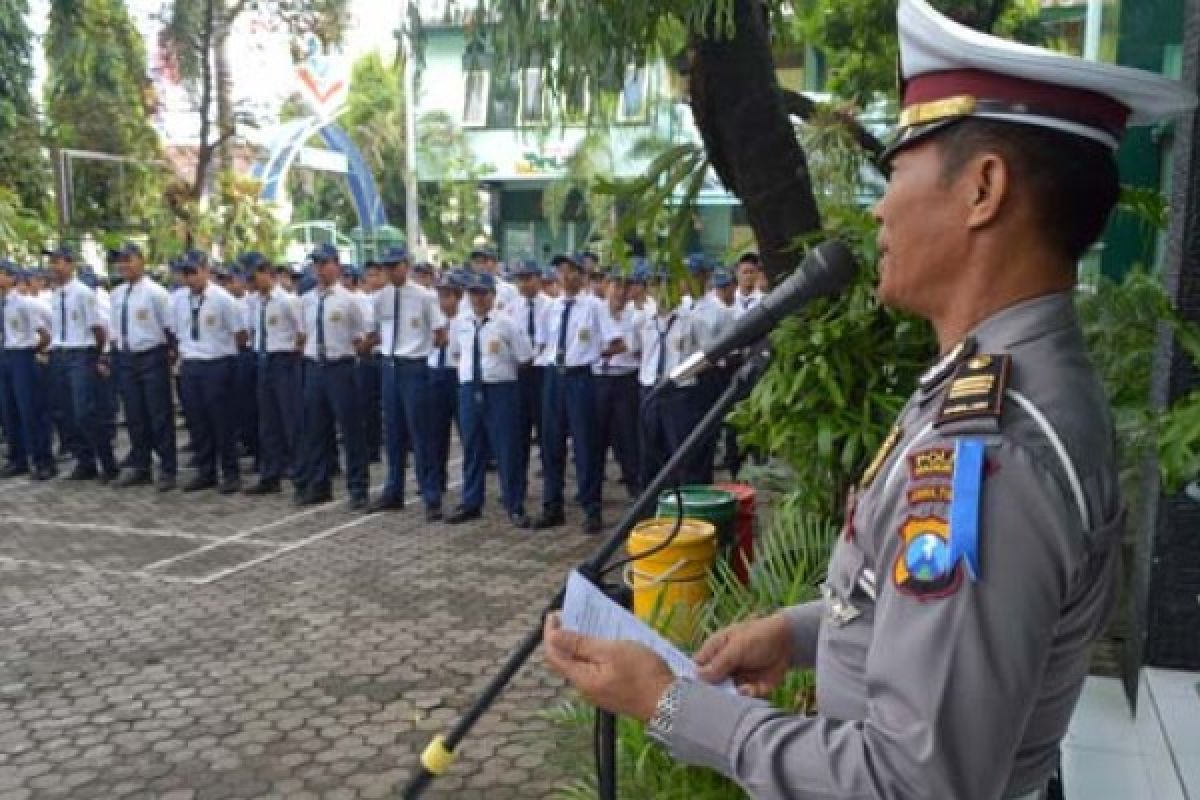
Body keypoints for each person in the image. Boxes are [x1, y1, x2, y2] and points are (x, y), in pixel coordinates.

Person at [543, 2, 1198, 798]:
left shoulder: (988, 450)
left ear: (983, 189)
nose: (880, 208)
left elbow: (910, 781)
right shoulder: (989, 386)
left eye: (895, 171)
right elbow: (917, 616)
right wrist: (798, 633)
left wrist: (669, 702)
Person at [532, 254, 624, 534]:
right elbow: (543, 344)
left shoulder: (594, 307)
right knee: (551, 444)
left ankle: (591, 507)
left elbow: (617, 343)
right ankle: (552, 505)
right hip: (553, 376)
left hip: (581, 377)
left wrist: (592, 354)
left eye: (571, 271)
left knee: (586, 445)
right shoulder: (550, 308)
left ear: (583, 276)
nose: (565, 276)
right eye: (560, 271)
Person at [445, 272, 534, 527]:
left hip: (500, 390)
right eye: (474, 293)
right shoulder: (460, 322)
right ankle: (472, 501)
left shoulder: (506, 323)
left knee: (507, 449)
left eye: (483, 293)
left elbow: (525, 356)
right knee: (472, 446)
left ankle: (514, 504)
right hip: (469, 388)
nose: (478, 298)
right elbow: (455, 352)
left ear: (493, 296)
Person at [368, 246, 446, 517]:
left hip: (414, 366)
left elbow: (439, 333)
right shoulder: (381, 297)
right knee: (393, 433)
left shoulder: (425, 297)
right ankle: (394, 490)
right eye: (386, 267)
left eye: (395, 266)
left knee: (421, 434)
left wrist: (421, 353)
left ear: (406, 265)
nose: (390, 271)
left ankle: (431, 495)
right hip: (390, 366)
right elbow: (375, 331)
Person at [293, 245, 369, 510]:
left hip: (341, 366)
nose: (320, 269)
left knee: (350, 429)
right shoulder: (306, 301)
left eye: (324, 263)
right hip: (315, 366)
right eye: (316, 264)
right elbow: (303, 336)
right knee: (315, 429)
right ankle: (319, 484)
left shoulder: (350, 300)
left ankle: (358, 487)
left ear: (336, 265)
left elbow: (361, 337)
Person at [173, 250, 247, 494]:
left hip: (218, 363)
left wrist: (224, 358)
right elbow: (175, 331)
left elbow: (240, 335)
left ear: (206, 270)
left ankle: (231, 472)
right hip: (191, 364)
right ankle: (206, 471)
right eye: (186, 273)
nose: (190, 278)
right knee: (197, 421)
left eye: (194, 272)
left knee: (222, 422)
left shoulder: (223, 299)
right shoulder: (179, 299)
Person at [44, 245, 118, 482]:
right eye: (52, 262)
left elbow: (98, 329)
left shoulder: (83, 293)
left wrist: (95, 356)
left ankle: (107, 462)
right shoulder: (56, 294)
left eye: (59, 262)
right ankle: (84, 461)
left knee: (85, 411)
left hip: (80, 353)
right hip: (60, 353)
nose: (54, 267)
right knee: (64, 411)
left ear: (70, 264)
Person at [109, 243, 177, 491]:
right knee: (134, 415)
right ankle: (141, 466)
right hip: (126, 357)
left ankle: (168, 468)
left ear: (141, 261)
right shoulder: (116, 294)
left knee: (159, 414)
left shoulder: (156, 293)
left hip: (152, 356)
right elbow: (114, 329)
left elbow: (169, 329)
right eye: (121, 261)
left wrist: (169, 356)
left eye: (129, 259)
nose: (124, 265)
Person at [632, 286, 708, 489]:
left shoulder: (691, 320)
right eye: (657, 283)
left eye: (668, 283)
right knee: (649, 454)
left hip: (679, 393)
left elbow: (706, 355)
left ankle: (685, 505)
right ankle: (649, 507)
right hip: (650, 390)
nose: (663, 290)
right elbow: (637, 351)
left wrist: (682, 375)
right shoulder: (642, 320)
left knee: (681, 454)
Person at [243, 253, 303, 495]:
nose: (252, 281)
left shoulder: (287, 301)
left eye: (254, 275)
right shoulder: (255, 301)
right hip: (264, 359)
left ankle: (301, 474)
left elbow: (302, 333)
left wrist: (293, 358)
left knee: (292, 421)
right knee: (267, 422)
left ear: (267, 272)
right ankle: (271, 474)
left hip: (285, 360)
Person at [0, 260, 54, 480]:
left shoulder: (24, 304)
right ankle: (17, 458)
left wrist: (34, 352)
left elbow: (44, 334)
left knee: (30, 410)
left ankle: (42, 460)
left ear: (12, 278)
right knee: (9, 410)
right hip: (4, 357)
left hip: (22, 354)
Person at [592, 272, 641, 496]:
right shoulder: (594, 311)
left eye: (624, 286)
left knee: (628, 436)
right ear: (605, 286)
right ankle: (593, 490)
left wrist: (599, 350)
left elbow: (628, 345)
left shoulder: (636, 315)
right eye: (615, 286)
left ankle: (635, 487)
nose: (620, 292)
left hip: (625, 378)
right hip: (598, 378)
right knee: (595, 436)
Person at [422, 269, 465, 520]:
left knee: (467, 437)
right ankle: (433, 493)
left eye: (448, 295)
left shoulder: (466, 321)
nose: (443, 301)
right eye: (440, 295)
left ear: (459, 297)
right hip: (435, 375)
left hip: (457, 376)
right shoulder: (434, 319)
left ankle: (470, 493)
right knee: (434, 439)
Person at [506, 259, 549, 489]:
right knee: (518, 433)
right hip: (519, 374)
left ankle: (551, 483)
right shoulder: (512, 308)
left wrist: (533, 356)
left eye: (528, 278)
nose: (523, 284)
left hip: (542, 373)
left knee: (547, 431)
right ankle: (517, 484)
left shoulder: (551, 306)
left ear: (538, 279)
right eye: (519, 279)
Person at [360, 260, 386, 463]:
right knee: (368, 405)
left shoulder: (388, 298)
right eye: (369, 275)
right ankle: (372, 447)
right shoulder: (364, 300)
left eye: (377, 274)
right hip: (369, 357)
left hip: (385, 356)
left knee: (390, 406)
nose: (373, 279)